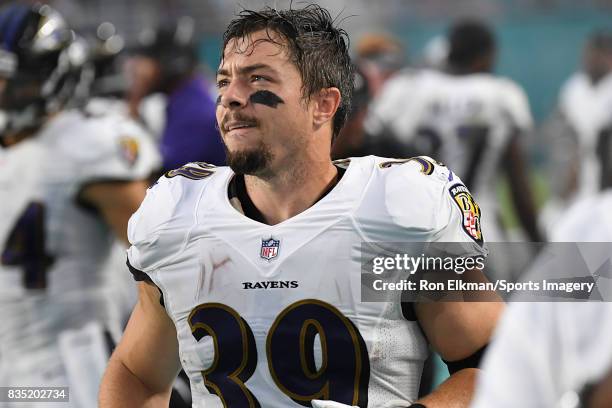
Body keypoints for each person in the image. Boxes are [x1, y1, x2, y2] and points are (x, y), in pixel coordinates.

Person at [100, 5, 503, 407]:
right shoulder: (179, 215)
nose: (230, 98)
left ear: (323, 105)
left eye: (257, 78)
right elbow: (137, 374)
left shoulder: (396, 209)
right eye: (224, 81)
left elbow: (493, 363)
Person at [0, 4, 159, 407]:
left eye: (11, 82)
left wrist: (157, 369)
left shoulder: (85, 145)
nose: (3, 94)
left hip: (66, 371)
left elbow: (163, 261)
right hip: (12, 365)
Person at [365, 19, 543, 244]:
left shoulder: (406, 90)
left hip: (415, 227)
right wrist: (540, 244)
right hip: (477, 226)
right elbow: (518, 186)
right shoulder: (500, 96)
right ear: (486, 56)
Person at [127, 17, 226, 170]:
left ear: (170, 62)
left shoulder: (194, 112)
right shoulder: (184, 99)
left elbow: (163, 180)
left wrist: (132, 107)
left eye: (146, 60)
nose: (138, 70)